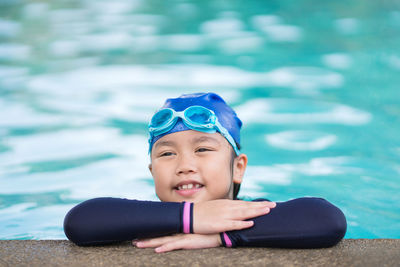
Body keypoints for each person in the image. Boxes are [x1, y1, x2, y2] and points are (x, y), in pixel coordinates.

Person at [64, 92, 347, 253]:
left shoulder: (251, 212)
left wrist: (222, 236)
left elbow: (327, 219)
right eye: (166, 153)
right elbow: (80, 221)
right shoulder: (136, 219)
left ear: (238, 168)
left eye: (202, 150)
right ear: (152, 172)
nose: (184, 165)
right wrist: (191, 218)